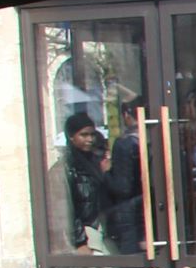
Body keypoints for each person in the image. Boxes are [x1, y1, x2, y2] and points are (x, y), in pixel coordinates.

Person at [102, 100, 148, 254]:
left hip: (129, 213)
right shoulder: (150, 139)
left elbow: (122, 187)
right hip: (148, 206)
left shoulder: (124, 144)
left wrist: (106, 173)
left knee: (133, 262)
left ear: (127, 115)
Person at [61, 112, 110, 252]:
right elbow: (68, 209)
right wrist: (80, 241)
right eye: (83, 135)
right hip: (86, 231)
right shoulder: (68, 167)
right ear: (71, 137)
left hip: (103, 227)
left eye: (92, 134)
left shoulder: (95, 161)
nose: (90, 139)